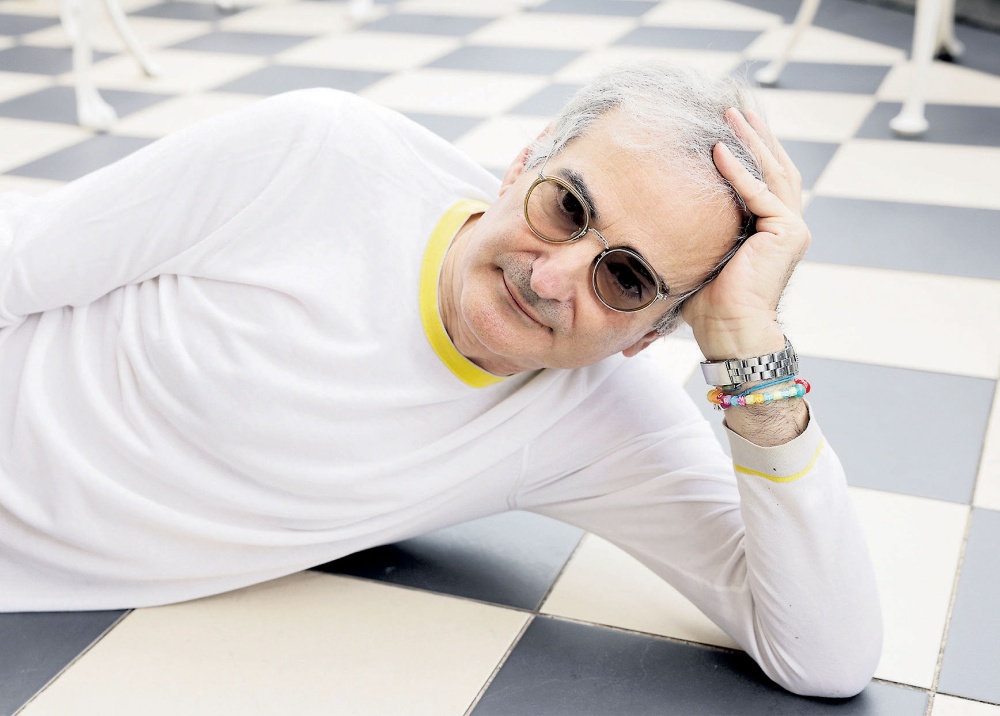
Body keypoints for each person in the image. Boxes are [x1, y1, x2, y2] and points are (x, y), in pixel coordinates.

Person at [0, 62, 881, 698]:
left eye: (624, 279)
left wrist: (748, 348)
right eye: (566, 206)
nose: (551, 278)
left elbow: (825, 656)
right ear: (523, 161)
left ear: (649, 338)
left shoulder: (596, 424)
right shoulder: (316, 154)